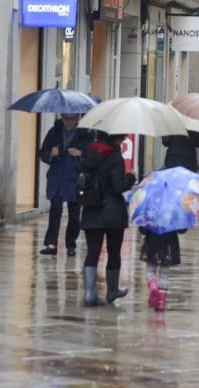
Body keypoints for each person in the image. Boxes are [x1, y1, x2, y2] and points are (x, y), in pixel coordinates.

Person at [140, 132, 199, 312]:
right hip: (169, 244)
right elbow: (198, 143)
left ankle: (152, 286)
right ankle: (161, 301)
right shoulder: (176, 207)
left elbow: (165, 142)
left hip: (152, 241)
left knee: (151, 268)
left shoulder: (152, 205)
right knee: (165, 271)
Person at [79, 132, 136, 307]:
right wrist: (130, 177)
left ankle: (90, 294)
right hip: (112, 212)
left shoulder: (89, 152)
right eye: (123, 137)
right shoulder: (115, 156)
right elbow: (118, 186)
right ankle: (112, 291)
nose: (125, 139)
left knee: (93, 251)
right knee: (113, 251)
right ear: (116, 138)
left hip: (91, 208)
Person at [38, 113, 91, 257]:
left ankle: (71, 245)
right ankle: (51, 243)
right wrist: (51, 153)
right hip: (57, 178)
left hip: (75, 179)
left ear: (78, 119)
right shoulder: (53, 132)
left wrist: (80, 153)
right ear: (62, 117)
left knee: (74, 214)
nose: (68, 122)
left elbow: (92, 156)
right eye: (66, 118)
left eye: (72, 119)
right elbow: (42, 154)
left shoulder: (85, 135)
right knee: (55, 209)